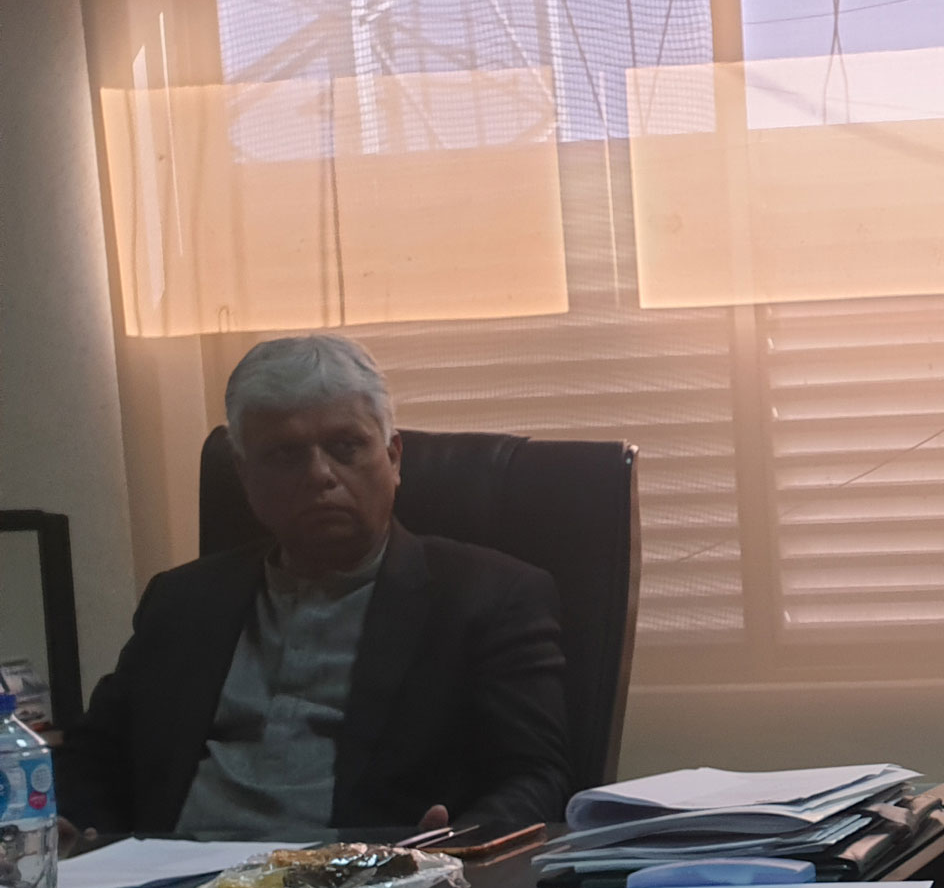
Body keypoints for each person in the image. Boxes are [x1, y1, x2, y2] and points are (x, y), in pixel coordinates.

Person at [59, 334, 573, 840]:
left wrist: (454, 846)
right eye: (285, 455)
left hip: (364, 878)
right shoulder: (181, 601)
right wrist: (85, 840)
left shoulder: (489, 598)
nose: (320, 475)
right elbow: (93, 759)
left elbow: (535, 776)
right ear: (244, 475)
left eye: (346, 447)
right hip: (170, 880)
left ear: (394, 457)